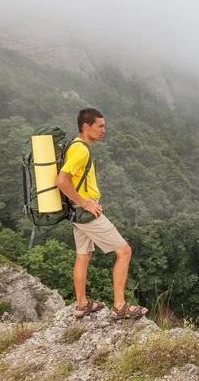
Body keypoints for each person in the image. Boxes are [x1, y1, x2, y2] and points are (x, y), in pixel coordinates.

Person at [56, 108, 148, 320]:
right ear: (86, 127)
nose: (104, 130)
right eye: (100, 126)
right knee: (124, 252)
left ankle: (82, 305)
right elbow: (62, 181)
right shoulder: (81, 150)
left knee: (83, 256)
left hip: (75, 212)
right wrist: (85, 203)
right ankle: (120, 306)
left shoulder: (75, 145)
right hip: (85, 212)